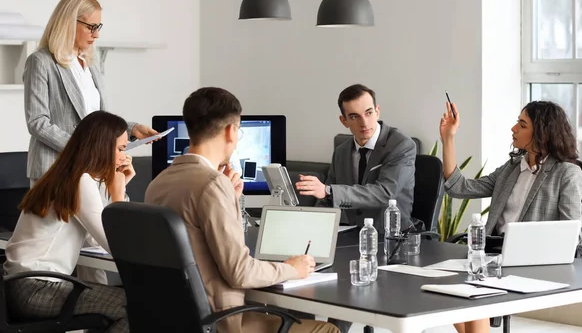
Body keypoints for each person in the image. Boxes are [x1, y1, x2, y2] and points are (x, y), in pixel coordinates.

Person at [145, 87, 338, 333]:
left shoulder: (158, 183)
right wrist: (293, 268)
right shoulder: (212, 185)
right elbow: (239, 272)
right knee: (325, 329)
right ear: (231, 131)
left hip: (174, 319)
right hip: (220, 321)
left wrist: (230, 199)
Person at [440, 100, 582, 333]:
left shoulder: (566, 172)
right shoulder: (513, 167)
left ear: (542, 132)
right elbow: (459, 188)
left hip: (529, 259)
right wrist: (448, 138)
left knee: (475, 291)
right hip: (491, 253)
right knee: (446, 287)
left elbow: (571, 233)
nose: (513, 129)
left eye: (522, 124)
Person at [4, 110, 133, 333]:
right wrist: (118, 195)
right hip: (37, 289)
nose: (125, 157)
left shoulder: (67, 175)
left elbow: (94, 238)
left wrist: (117, 192)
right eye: (121, 149)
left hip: (17, 286)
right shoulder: (81, 182)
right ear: (102, 147)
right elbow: (117, 246)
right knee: (132, 306)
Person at [23, 0, 157, 186]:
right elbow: (37, 122)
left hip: (91, 168)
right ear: (68, 23)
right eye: (91, 27)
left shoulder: (90, 64)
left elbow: (96, 120)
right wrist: (83, 149)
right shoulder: (41, 62)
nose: (96, 34)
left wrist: (132, 129)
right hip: (54, 168)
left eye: (98, 27)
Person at [295, 84, 417, 232]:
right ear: (344, 121)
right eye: (354, 116)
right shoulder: (341, 152)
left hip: (391, 238)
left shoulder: (401, 145)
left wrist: (328, 191)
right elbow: (327, 200)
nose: (364, 123)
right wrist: (310, 227)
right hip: (352, 234)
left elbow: (385, 193)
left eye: (368, 113)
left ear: (377, 111)